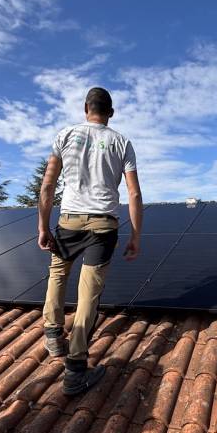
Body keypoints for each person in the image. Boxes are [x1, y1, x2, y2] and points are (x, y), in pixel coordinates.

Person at [37, 87, 143, 395]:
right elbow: (134, 193)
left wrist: (43, 226)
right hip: (103, 225)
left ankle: (54, 334)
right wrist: (136, 236)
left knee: (58, 273)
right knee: (89, 294)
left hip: (67, 220)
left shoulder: (65, 135)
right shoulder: (121, 142)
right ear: (111, 112)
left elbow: (47, 185)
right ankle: (75, 371)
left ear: (86, 108)